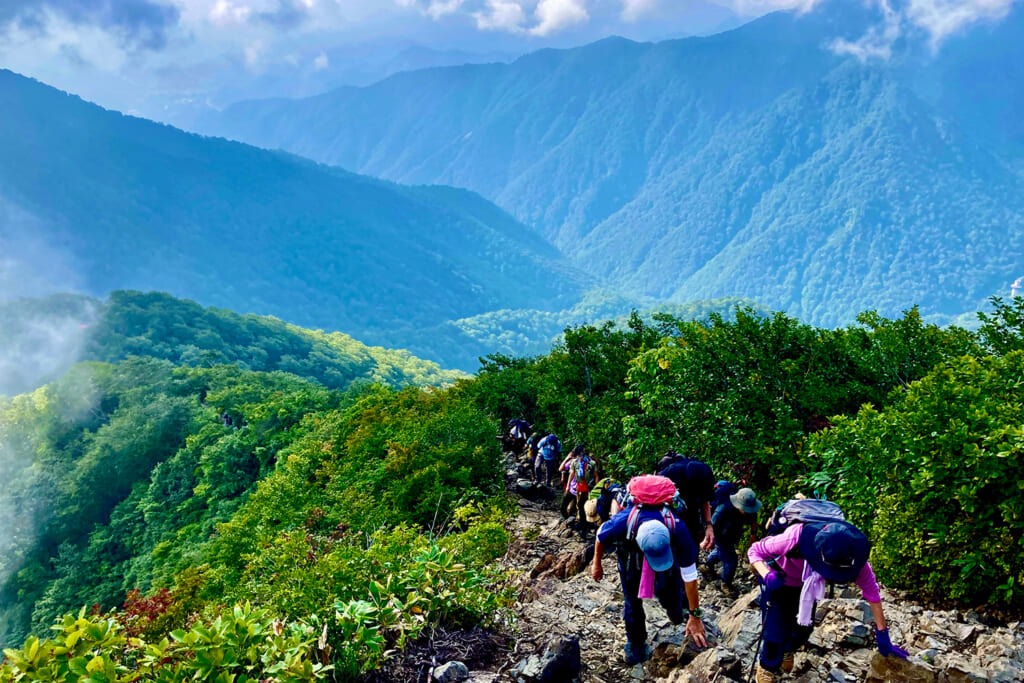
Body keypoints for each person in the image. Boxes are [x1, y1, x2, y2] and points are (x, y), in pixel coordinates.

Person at [747, 520, 909, 682]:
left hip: (807, 588)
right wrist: (767, 575)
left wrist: (882, 634)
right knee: (775, 630)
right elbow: (755, 551)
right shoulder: (793, 539)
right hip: (779, 580)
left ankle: (788, 649)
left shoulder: (853, 557)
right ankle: (767, 666)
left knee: (804, 628)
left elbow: (872, 592)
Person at [592, 475, 708, 665]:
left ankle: (677, 614)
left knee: (671, 592)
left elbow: (690, 576)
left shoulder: (678, 529)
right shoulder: (623, 522)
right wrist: (596, 563)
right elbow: (600, 536)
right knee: (632, 602)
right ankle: (635, 645)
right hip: (631, 560)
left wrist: (695, 616)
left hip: (667, 565)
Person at [657, 452, 716, 551]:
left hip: (692, 514)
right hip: (668, 511)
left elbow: (705, 501)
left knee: (691, 547)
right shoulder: (670, 474)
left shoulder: (705, 476)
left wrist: (709, 526)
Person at [707, 485, 761, 592]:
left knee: (722, 552)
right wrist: (710, 540)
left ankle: (707, 565)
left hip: (732, 536)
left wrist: (753, 536)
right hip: (721, 536)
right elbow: (712, 525)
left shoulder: (750, 508)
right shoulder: (723, 509)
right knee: (731, 560)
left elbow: (753, 521)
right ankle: (725, 583)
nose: (747, 511)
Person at [560, 446, 599, 537]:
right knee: (564, 507)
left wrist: (596, 487)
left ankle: (582, 529)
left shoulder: (592, 463)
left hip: (584, 490)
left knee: (581, 509)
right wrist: (568, 486)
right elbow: (571, 474)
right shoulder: (575, 462)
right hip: (575, 489)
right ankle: (570, 522)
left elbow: (596, 476)